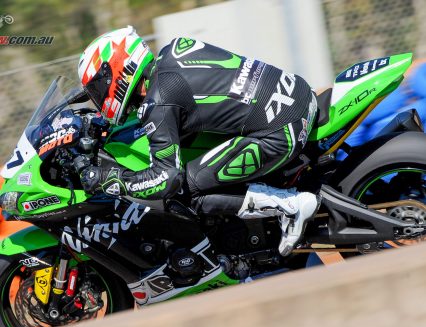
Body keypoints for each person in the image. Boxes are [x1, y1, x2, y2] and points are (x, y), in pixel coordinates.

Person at [78, 26, 319, 258]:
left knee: (186, 188)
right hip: (297, 93)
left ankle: (290, 205)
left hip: (281, 133)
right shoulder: (173, 51)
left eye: (98, 88)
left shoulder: (158, 103)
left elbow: (166, 178)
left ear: (119, 71)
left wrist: (108, 180)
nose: (99, 98)